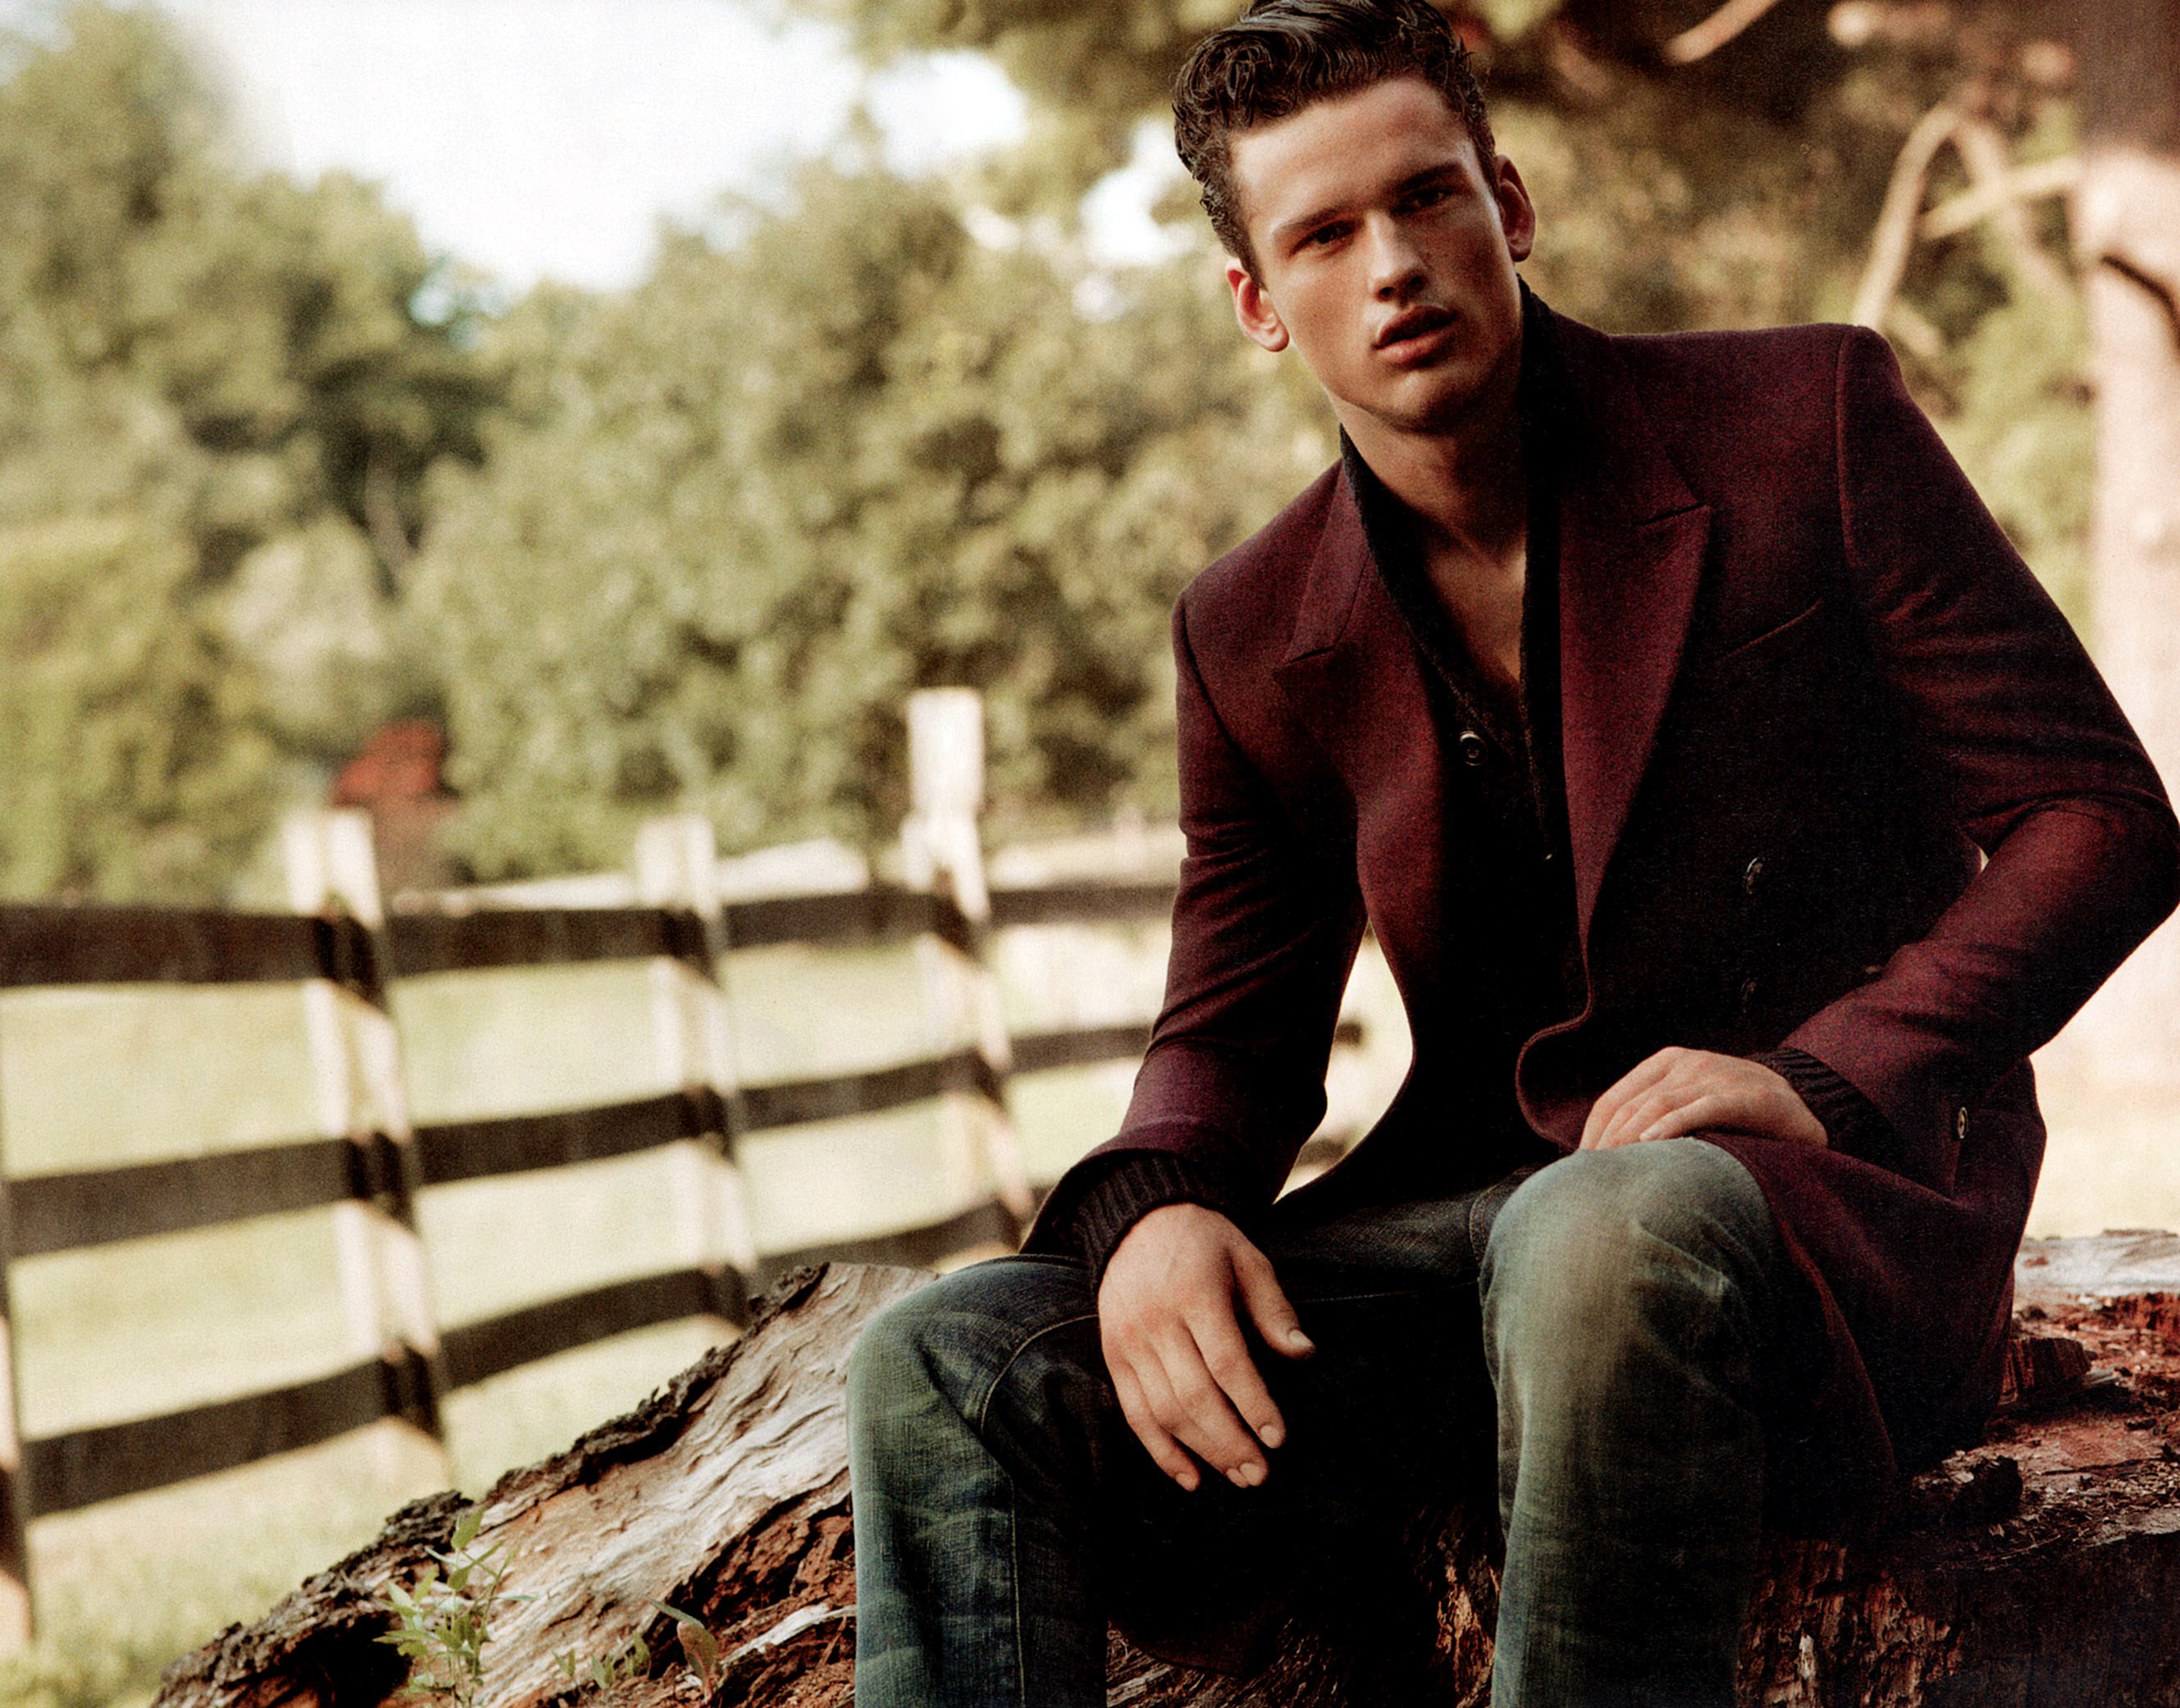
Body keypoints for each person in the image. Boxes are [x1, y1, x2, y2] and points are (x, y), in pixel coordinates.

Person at [846, 2, 2180, 1702]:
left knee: (1598, 1235)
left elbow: (2097, 817)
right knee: (948, 1355)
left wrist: (1823, 1074)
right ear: (1257, 302)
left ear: (1512, 204)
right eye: (1324, 235)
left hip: (1824, 1231)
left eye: (1428, 198)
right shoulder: (1248, 627)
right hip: (1468, 1245)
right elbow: (1229, 1033)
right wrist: (1156, 1204)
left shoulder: (1806, 420)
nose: (1394, 265)